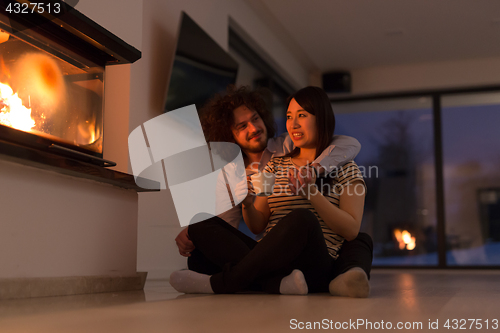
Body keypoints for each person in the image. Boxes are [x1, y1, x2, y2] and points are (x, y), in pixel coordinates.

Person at [171, 86, 373, 297]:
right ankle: (276, 284)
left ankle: (222, 283)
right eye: (289, 116)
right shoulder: (274, 165)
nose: (293, 123)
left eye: (301, 115)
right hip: (271, 261)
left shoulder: (345, 166)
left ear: (321, 118)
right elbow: (257, 225)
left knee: (302, 219)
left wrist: (312, 192)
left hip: (314, 264)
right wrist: (248, 204)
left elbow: (351, 231)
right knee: (199, 223)